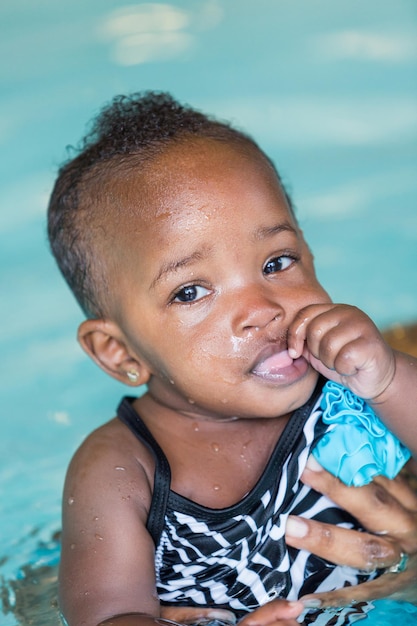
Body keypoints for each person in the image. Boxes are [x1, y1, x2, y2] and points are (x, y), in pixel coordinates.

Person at [47, 92, 417, 626]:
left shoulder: (353, 381)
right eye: (191, 291)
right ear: (121, 351)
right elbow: (110, 617)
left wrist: (387, 380)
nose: (262, 310)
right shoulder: (121, 469)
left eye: (277, 261)